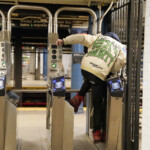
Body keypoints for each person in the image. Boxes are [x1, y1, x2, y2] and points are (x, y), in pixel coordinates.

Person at [56, 32, 126, 143]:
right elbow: (122, 61)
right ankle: (97, 132)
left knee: (91, 78)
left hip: (85, 68)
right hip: (99, 73)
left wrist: (64, 40)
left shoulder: (98, 38)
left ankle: (78, 98)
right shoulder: (121, 47)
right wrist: (111, 70)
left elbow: (81, 37)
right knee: (98, 103)